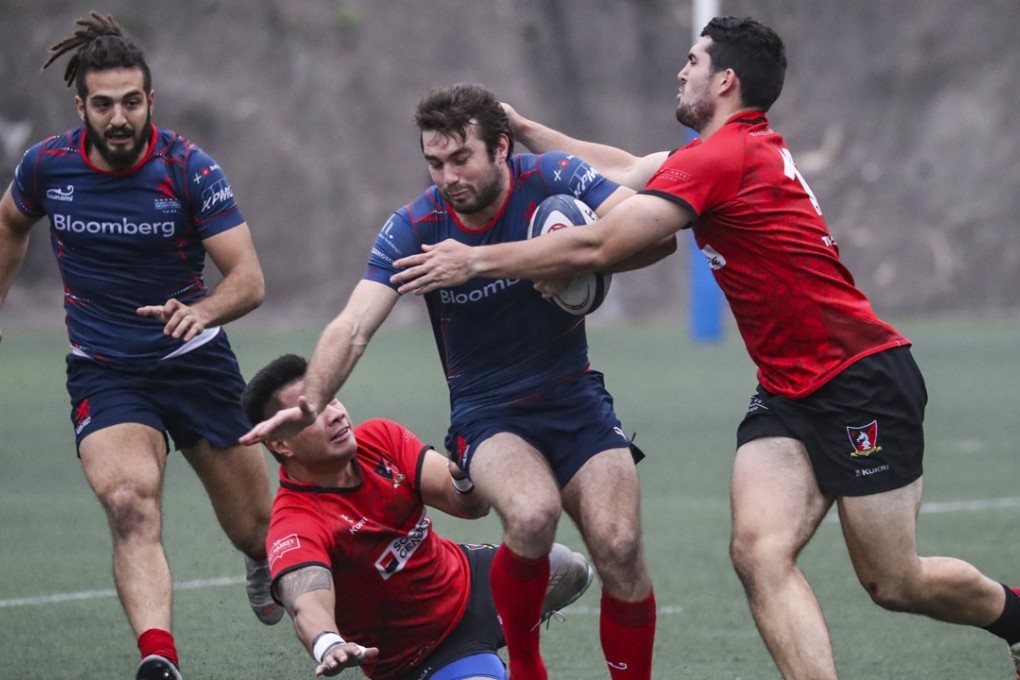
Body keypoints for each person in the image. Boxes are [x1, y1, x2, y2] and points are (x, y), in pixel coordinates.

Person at [387, 16, 1020, 680]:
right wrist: (526, 130)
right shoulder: (720, 152)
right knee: (757, 554)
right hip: (785, 391)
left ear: (725, 80)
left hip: (860, 375)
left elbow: (605, 243)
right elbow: (629, 170)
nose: (680, 71)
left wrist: (478, 261)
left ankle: (1013, 616)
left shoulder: (724, 158)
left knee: (894, 582)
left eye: (692, 61)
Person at [241, 83, 674, 680]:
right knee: (530, 515)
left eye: (460, 158)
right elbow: (354, 324)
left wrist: (556, 257)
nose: (447, 176)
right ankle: (526, 667)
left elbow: (657, 237)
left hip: (573, 393)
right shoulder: (415, 226)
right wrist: (312, 397)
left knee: (621, 547)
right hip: (487, 412)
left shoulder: (552, 177)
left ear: (501, 148)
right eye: (434, 162)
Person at [0, 13, 282, 680]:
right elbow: (10, 225)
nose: (119, 117)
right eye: (103, 104)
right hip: (106, 370)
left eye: (131, 101)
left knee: (260, 533)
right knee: (129, 503)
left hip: (196, 364)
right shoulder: (48, 166)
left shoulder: (188, 168)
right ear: (81, 107)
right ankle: (159, 659)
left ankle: (260, 558)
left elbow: (249, 278)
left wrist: (203, 308)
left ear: (149, 100)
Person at [241, 353, 595, 679]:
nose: (334, 413)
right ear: (280, 443)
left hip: (466, 581)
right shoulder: (295, 522)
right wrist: (328, 644)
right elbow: (307, 605)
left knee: (570, 568)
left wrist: (464, 474)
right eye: (312, 415)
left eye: (330, 399)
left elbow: (469, 507)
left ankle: (504, 630)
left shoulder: (379, 438)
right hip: (422, 654)